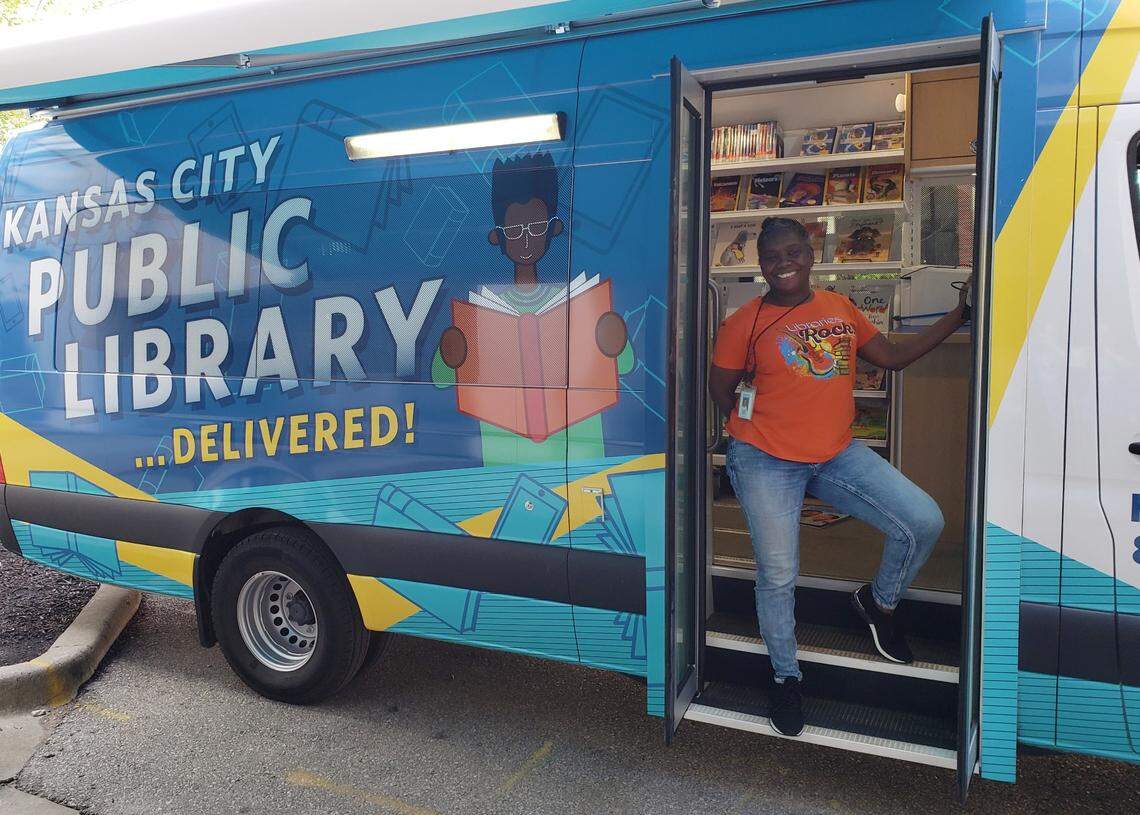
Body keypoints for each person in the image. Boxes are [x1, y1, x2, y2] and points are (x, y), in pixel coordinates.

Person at [708, 217, 969, 737]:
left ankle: (878, 602)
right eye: (772, 256)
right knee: (779, 575)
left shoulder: (839, 307)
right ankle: (786, 678)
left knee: (921, 520)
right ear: (761, 265)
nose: (784, 263)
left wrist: (960, 315)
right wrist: (771, 416)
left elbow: (891, 358)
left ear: (812, 253)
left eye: (792, 252)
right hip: (764, 458)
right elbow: (721, 393)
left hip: (835, 454)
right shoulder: (744, 322)